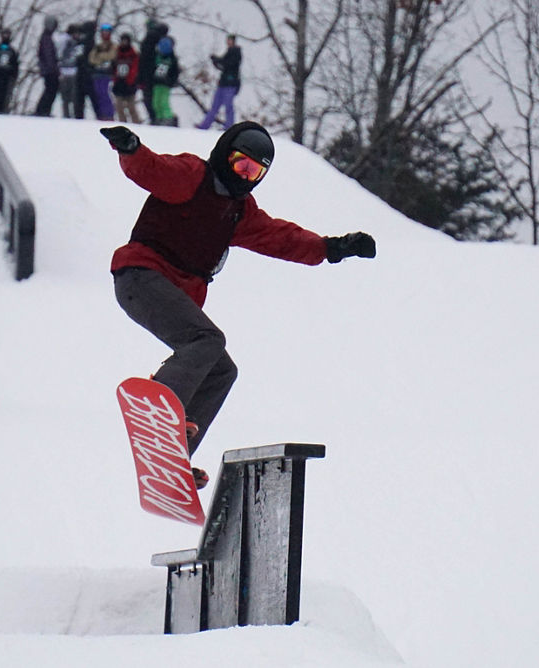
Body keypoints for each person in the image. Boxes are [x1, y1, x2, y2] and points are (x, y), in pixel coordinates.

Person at [100, 122, 376, 488]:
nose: (243, 176)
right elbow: (154, 170)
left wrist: (332, 248)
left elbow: (281, 237)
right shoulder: (192, 177)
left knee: (221, 369)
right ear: (223, 155)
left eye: (253, 171)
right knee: (207, 340)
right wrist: (131, 149)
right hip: (141, 275)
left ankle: (173, 453)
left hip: (169, 291)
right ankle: (159, 413)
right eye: (238, 164)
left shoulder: (238, 212)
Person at [196, 34, 241, 130]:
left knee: (228, 106)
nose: (228, 42)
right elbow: (222, 65)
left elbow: (228, 64)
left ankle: (229, 126)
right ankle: (205, 125)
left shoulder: (236, 53)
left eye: (230, 40)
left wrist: (217, 60)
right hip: (223, 83)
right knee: (215, 105)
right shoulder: (229, 52)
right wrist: (216, 61)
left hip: (230, 83)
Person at [136, 19, 167, 124]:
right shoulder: (161, 41)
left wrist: (140, 76)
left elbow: (143, 60)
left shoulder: (150, 40)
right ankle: (157, 118)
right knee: (156, 99)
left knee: (149, 99)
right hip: (156, 74)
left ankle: (155, 118)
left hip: (148, 74)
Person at [88, 23, 117, 121]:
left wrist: (100, 57)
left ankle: (109, 114)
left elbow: (111, 56)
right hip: (97, 73)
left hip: (107, 74)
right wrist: (101, 58)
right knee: (98, 94)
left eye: (107, 32)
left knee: (105, 93)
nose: (105, 34)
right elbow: (92, 59)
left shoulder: (113, 45)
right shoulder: (98, 46)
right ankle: (101, 114)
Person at [112, 33, 140, 124]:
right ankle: (122, 123)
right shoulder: (116, 53)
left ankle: (137, 123)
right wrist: (115, 81)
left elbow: (135, 69)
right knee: (119, 107)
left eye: (126, 41)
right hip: (119, 84)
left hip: (129, 84)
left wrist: (130, 81)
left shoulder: (133, 54)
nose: (124, 43)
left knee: (131, 107)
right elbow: (113, 68)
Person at [151, 35, 179, 126]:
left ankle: (168, 118)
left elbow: (175, 72)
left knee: (164, 102)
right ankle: (159, 118)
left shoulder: (172, 59)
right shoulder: (156, 57)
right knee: (156, 102)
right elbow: (152, 68)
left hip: (165, 84)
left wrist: (170, 81)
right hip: (157, 83)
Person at [34, 15, 59, 116]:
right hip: (49, 70)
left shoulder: (46, 37)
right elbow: (48, 55)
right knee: (51, 89)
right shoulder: (46, 38)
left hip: (47, 69)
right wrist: (53, 68)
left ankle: (43, 110)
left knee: (50, 89)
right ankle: (43, 110)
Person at [57, 24, 82, 118]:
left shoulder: (77, 43)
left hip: (73, 72)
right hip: (65, 71)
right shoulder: (65, 41)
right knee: (65, 97)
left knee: (73, 97)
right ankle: (66, 115)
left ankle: (72, 115)